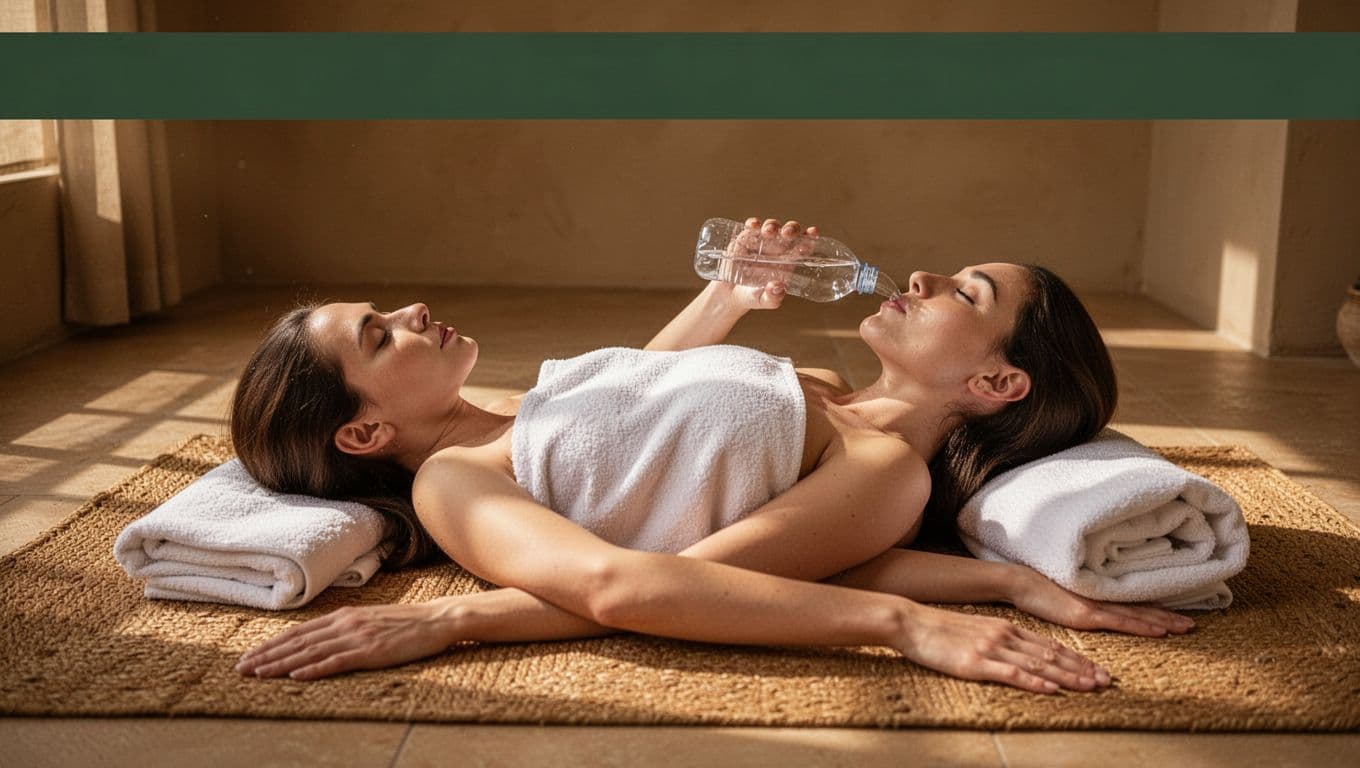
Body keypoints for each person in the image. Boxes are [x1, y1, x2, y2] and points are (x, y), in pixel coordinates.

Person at [231, 218, 1193, 694]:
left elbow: (680, 559)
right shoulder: (458, 476)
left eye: (967, 294)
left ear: (995, 383)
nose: (923, 275)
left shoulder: (874, 455)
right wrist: (910, 620)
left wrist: (994, 586)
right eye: (377, 335)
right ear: (364, 434)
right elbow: (625, 563)